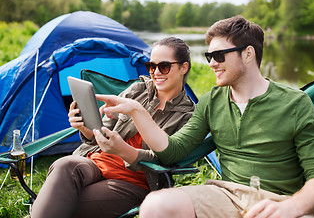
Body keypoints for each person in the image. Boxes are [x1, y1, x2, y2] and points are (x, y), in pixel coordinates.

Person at [93, 15, 314, 218]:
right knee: (155, 205)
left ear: (248, 54)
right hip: (226, 195)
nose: (211, 64)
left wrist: (291, 207)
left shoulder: (295, 103)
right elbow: (173, 150)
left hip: (281, 201)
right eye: (209, 57)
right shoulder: (212, 101)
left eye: (219, 56)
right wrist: (138, 111)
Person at [30, 37, 195, 218]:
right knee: (64, 164)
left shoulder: (187, 116)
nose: (155, 73)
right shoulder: (137, 90)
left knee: (64, 201)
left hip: (132, 181)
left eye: (164, 66)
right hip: (95, 162)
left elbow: (168, 161)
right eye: (151, 66)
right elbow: (101, 131)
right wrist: (84, 126)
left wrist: (125, 151)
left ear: (183, 67)